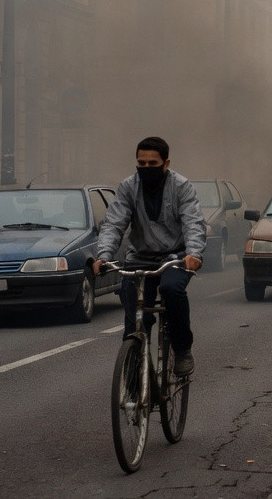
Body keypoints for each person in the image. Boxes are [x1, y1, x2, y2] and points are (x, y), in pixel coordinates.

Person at [92, 136, 207, 376]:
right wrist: (103, 256)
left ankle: (182, 348)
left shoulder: (181, 186)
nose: (145, 168)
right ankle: (133, 369)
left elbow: (193, 223)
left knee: (171, 290)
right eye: (140, 163)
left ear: (165, 164)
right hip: (140, 257)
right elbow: (114, 224)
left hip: (175, 256)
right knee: (133, 312)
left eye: (151, 164)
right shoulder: (128, 187)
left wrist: (194, 254)